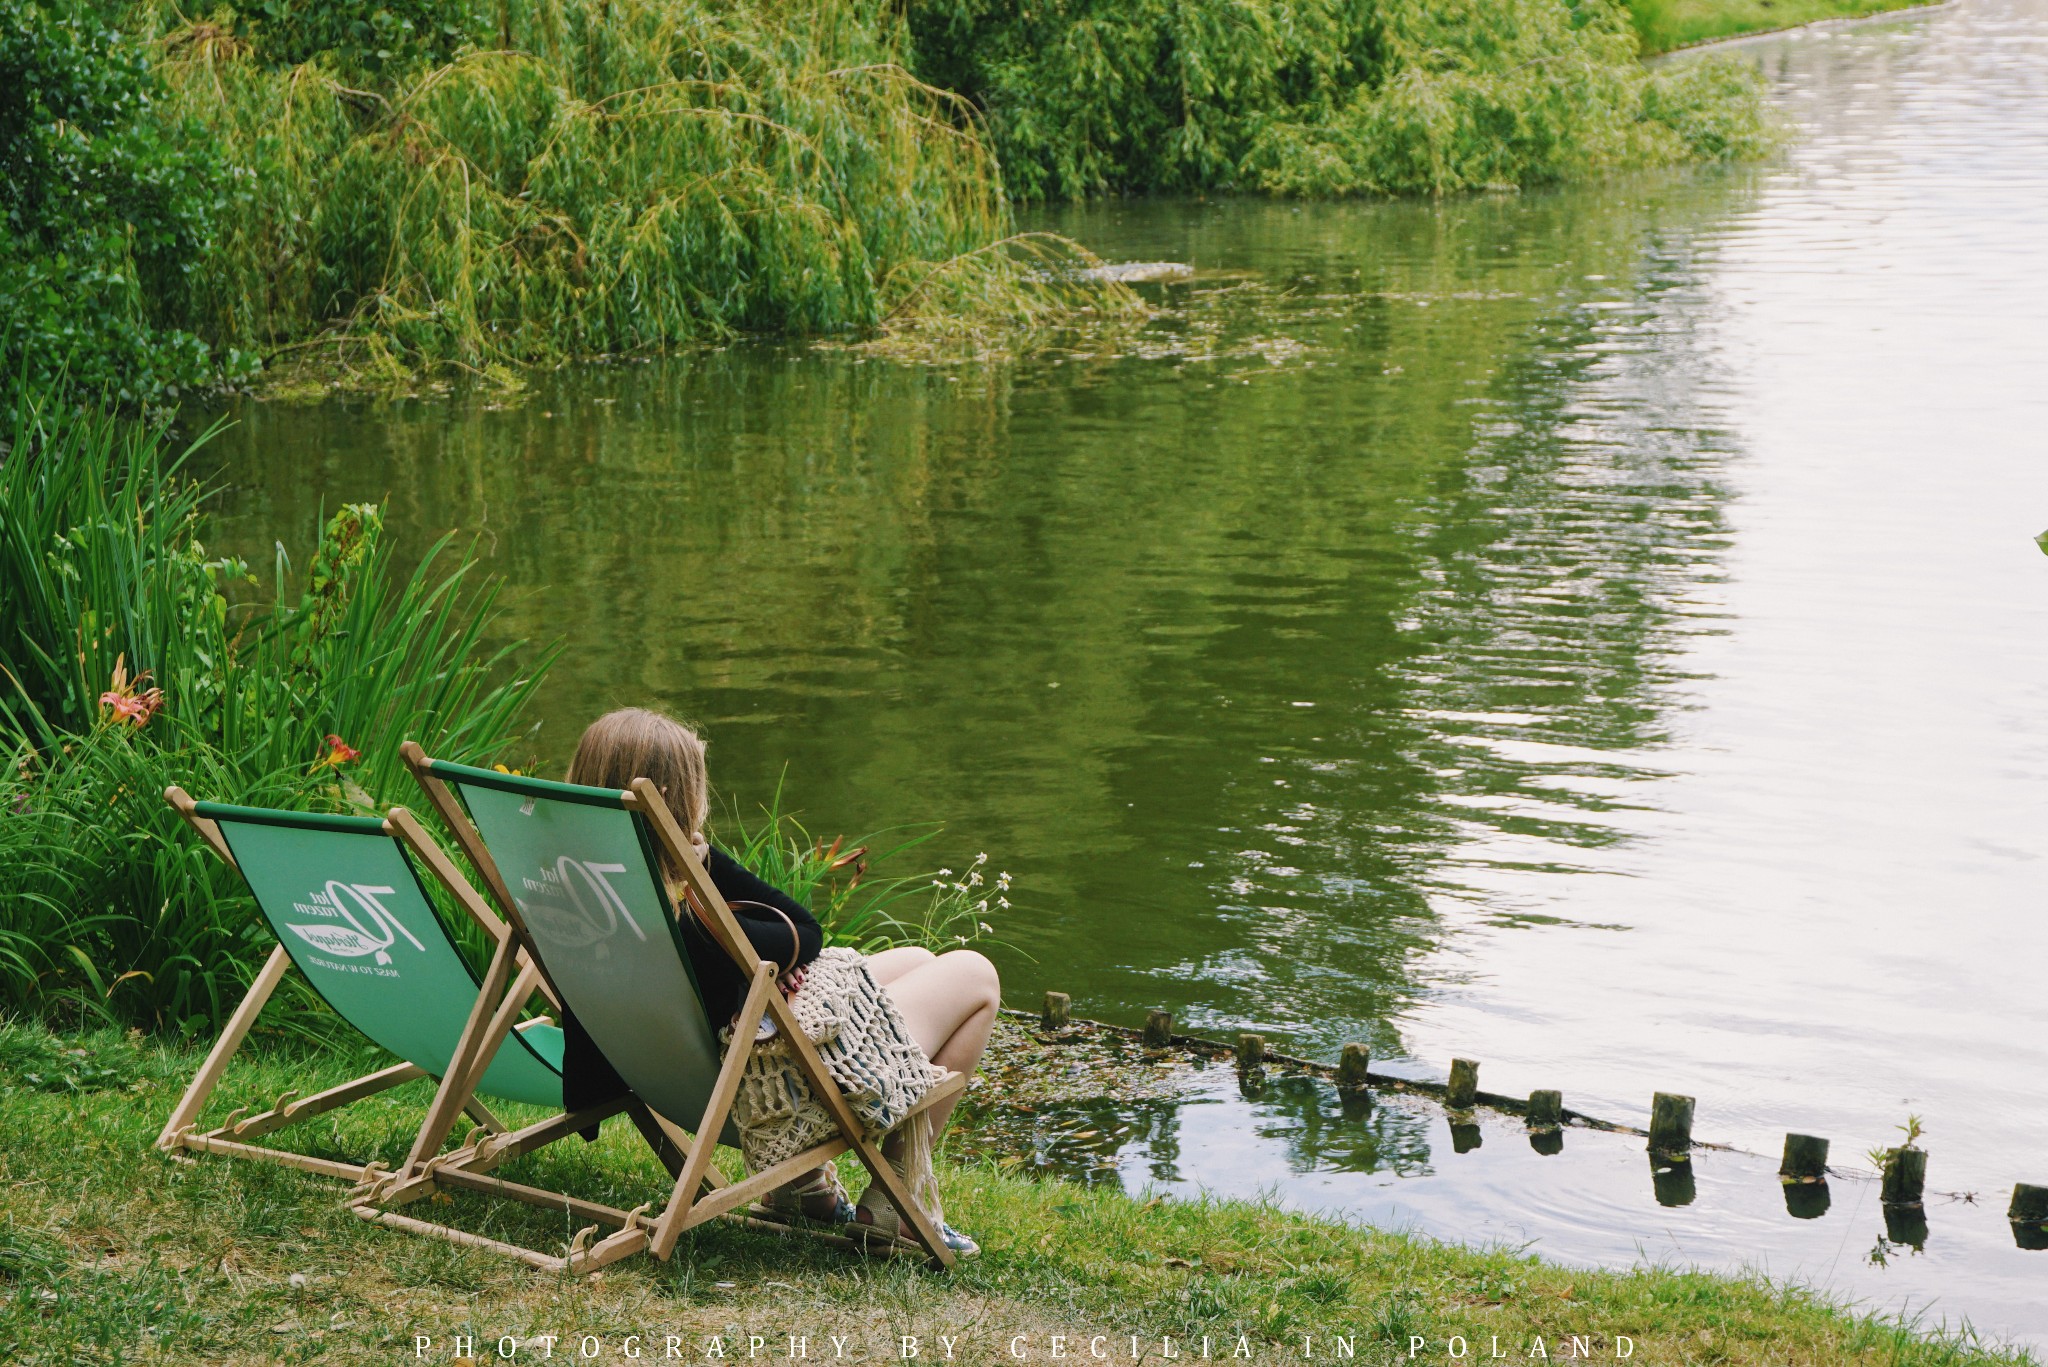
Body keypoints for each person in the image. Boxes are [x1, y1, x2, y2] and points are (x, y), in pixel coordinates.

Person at [561, 706, 998, 1256]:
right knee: (976, 976)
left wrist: (687, 867)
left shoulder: (581, 896)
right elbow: (802, 933)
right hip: (768, 1091)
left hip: (684, 1069)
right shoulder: (687, 923)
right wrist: (703, 869)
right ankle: (899, 1204)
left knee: (915, 956)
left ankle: (802, 1189)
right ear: (675, 802)